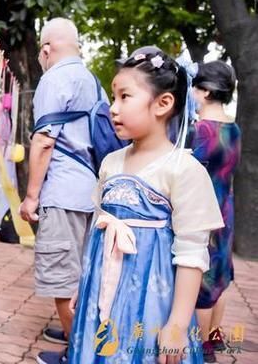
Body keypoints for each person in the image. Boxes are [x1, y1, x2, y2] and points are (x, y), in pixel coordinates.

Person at [66, 46, 224, 364]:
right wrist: (85, 284)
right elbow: (97, 227)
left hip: (153, 300)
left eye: (125, 97)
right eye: (114, 97)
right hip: (101, 291)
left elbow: (192, 253)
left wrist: (178, 323)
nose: (113, 108)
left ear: (163, 104)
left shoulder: (183, 169)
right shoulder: (110, 163)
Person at [18, 18, 104, 359]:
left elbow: (43, 141)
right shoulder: (93, 81)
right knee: (84, 276)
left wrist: (31, 197)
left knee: (63, 280)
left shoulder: (53, 78)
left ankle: (80, 352)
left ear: (45, 48)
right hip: (91, 191)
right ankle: (80, 335)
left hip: (63, 191)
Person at [188, 61, 241, 363]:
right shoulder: (233, 130)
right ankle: (211, 343)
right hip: (224, 210)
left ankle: (199, 351)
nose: (192, 93)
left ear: (206, 92)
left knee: (200, 285)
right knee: (218, 279)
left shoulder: (200, 132)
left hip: (201, 215)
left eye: (195, 88)